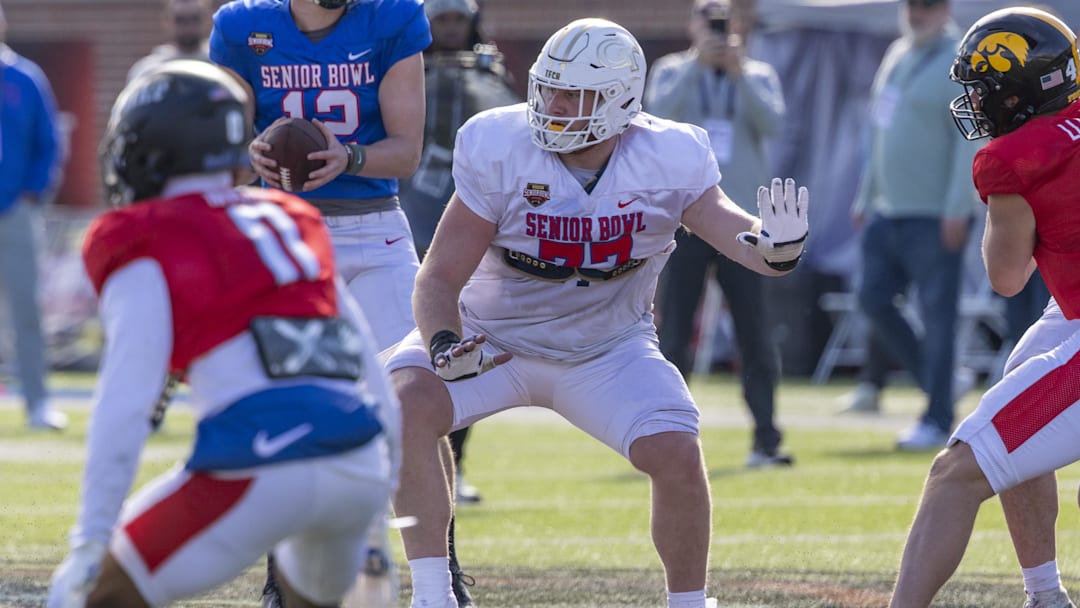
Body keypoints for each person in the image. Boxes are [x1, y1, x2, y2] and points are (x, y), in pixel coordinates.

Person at [386, 17, 808, 608]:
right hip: (494, 338)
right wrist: (441, 343)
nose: (553, 104)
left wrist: (777, 247)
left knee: (677, 451)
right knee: (406, 401)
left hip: (605, 349)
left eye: (571, 93)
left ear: (621, 100)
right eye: (548, 87)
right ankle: (433, 594)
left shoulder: (669, 154)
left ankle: (689, 603)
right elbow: (440, 275)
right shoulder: (500, 145)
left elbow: (736, 234)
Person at [45, 60, 396, 608]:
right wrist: (376, 513)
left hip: (259, 462)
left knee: (90, 596)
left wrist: (91, 542)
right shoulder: (288, 218)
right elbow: (366, 363)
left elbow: (125, 402)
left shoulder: (143, 234)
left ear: (153, 145)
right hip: (359, 460)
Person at [208, 1, 429, 604]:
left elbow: (407, 150)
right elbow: (216, 144)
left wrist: (350, 156)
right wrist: (242, 157)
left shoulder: (392, 16)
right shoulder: (240, 25)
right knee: (291, 411)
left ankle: (437, 578)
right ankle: (286, 578)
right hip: (284, 230)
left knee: (411, 407)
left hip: (374, 230)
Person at [889, 7, 1080, 607]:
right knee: (1018, 378)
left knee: (956, 472)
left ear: (1018, 90)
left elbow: (1005, 276)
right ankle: (1044, 594)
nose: (975, 100)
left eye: (983, 88)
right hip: (1069, 313)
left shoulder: (1015, 156)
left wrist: (1002, 199)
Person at [644, 0, 791, 468]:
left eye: (723, 21)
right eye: (707, 20)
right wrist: (698, 67)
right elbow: (656, 118)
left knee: (755, 333)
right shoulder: (671, 71)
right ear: (692, 26)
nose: (715, 29)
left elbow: (773, 124)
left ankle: (766, 440)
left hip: (743, 222)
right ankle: (666, 434)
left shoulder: (759, 73)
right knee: (675, 332)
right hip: (685, 220)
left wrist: (738, 71)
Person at [400, 0, 521, 507]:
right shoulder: (405, 70)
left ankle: (457, 463)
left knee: (461, 348)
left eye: (456, 19)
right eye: (440, 20)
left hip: (468, 224)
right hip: (410, 221)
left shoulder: (490, 73)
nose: (449, 30)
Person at [851, 0, 979, 450]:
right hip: (887, 211)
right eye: (912, 5)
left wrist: (957, 207)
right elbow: (878, 131)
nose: (917, 13)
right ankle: (937, 379)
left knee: (938, 316)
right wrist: (865, 196)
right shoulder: (898, 53)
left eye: (927, 6)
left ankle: (938, 418)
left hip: (934, 216)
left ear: (944, 9)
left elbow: (970, 138)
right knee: (871, 298)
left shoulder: (960, 61)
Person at [0, 2, 67, 431]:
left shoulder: (25, 77)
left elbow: (49, 142)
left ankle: (37, 402)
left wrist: (31, 195)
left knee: (27, 310)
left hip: (15, 213)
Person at [126, 0, 213, 83]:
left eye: (195, 18)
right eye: (180, 20)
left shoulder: (219, 66)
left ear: (207, 20)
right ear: (167, 21)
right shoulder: (148, 71)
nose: (188, 26)